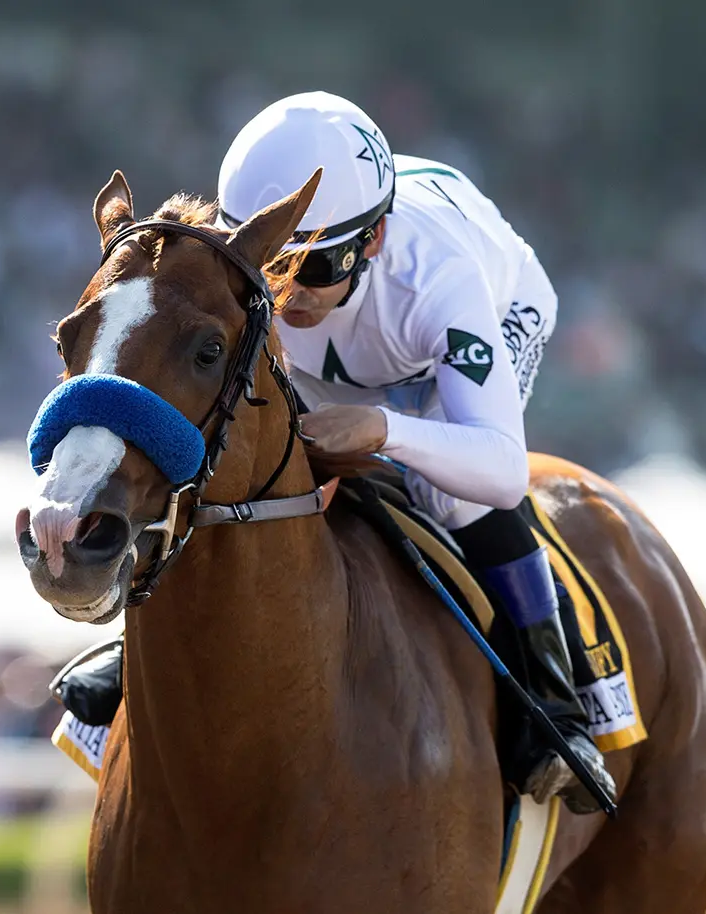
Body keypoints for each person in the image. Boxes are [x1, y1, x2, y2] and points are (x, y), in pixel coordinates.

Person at [56, 91, 614, 814]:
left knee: (451, 492)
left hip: (484, 320)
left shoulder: (439, 282)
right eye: (274, 265)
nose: (289, 294)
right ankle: (140, 657)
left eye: (314, 268)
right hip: (341, 368)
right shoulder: (247, 264)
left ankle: (555, 697)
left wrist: (387, 430)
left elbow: (504, 472)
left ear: (372, 242)